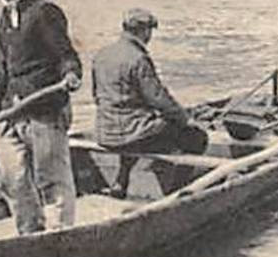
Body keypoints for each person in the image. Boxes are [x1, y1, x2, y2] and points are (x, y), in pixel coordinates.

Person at [0, 0, 82, 234]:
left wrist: (71, 75)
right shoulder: (5, 18)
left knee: (51, 180)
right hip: (13, 114)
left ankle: (59, 237)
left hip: (45, 111)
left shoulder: (43, 11)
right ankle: (30, 234)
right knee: (11, 178)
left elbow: (67, 55)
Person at [89, 8, 209, 156]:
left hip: (105, 134)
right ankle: (177, 178)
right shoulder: (138, 58)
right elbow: (158, 99)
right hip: (133, 136)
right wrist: (186, 119)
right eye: (149, 31)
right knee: (196, 137)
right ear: (144, 31)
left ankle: (124, 173)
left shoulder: (102, 55)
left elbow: (96, 96)